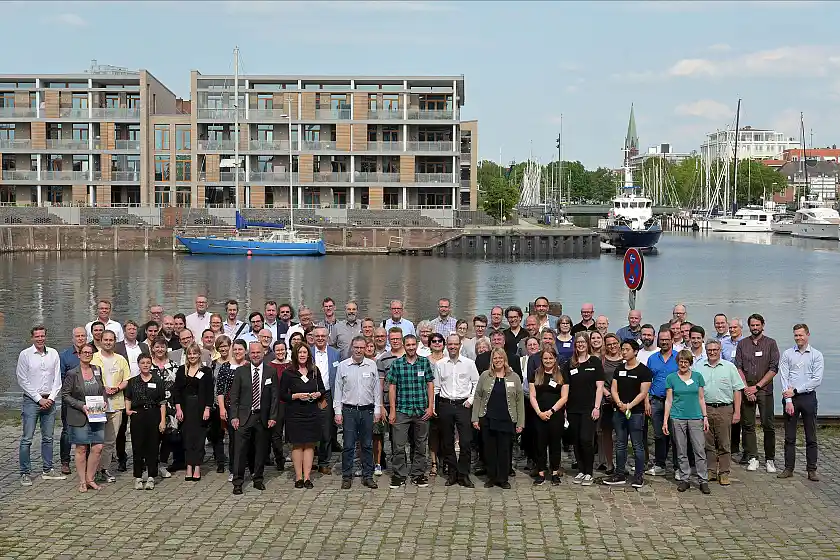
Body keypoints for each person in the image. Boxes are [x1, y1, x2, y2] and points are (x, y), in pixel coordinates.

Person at [229, 342, 279, 494]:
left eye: (258, 352)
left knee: (260, 450)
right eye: (253, 353)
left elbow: (275, 396)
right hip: (244, 417)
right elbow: (234, 396)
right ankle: (238, 482)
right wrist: (234, 416)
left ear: (263, 353)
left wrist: (273, 416)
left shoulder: (271, 371)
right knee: (240, 450)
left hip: (262, 417)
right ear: (248, 354)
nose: (255, 355)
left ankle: (258, 478)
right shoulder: (241, 371)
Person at [472, 348, 525, 489]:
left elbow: (520, 401)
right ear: (492, 360)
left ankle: (503, 478)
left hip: (507, 419)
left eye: (500, 358)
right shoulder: (485, 375)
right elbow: (478, 396)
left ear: (505, 359)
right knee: (489, 450)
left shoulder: (514, 377)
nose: (498, 360)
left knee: (504, 450)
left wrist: (520, 422)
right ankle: (491, 477)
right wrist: (475, 418)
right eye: (495, 358)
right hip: (488, 418)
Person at [387, 334, 435, 489]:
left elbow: (430, 384)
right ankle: (399, 474)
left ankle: (418, 474)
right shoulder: (397, 364)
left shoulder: (424, 362)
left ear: (417, 345)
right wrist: (392, 411)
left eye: (413, 344)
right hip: (402, 410)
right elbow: (392, 387)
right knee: (399, 445)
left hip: (421, 410)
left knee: (421, 445)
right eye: (408, 345)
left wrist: (430, 406)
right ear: (403, 345)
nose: (411, 347)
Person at [334, 335, 382, 489]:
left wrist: (377, 409)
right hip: (349, 410)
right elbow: (338, 390)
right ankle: (346, 476)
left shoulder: (371, 365)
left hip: (367, 410)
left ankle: (368, 475)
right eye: (356, 347)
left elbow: (376, 390)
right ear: (352, 348)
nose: (359, 350)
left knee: (367, 445)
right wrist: (337, 412)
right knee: (348, 445)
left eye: (362, 347)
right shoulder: (343, 366)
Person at [694, 338, 743, 487]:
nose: (712, 352)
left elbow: (737, 390)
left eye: (715, 350)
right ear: (706, 351)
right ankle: (710, 471)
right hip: (706, 408)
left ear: (720, 350)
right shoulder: (698, 366)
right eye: (709, 350)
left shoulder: (729, 367)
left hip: (724, 408)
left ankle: (724, 472)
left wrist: (737, 412)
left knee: (724, 442)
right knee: (707, 442)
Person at [734, 313, 780, 473]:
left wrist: (757, 387)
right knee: (748, 425)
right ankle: (752, 457)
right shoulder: (742, 344)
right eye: (752, 325)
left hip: (764, 390)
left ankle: (770, 459)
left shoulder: (771, 343)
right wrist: (746, 388)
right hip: (747, 390)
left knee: (768, 425)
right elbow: (738, 367)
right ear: (749, 327)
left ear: (762, 325)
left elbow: (774, 368)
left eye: (757, 325)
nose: (755, 328)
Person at [777, 323, 822, 481]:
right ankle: (789, 468)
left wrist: (796, 390)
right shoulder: (788, 354)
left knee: (811, 435)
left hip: (808, 397)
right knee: (789, 436)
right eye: (796, 335)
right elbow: (784, 377)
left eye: (801, 335)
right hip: (791, 399)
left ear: (808, 335)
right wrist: (788, 399)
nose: (798, 338)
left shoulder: (816, 355)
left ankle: (812, 469)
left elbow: (816, 380)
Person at [605, 340, 652, 488]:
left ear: (635, 351)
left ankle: (638, 476)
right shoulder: (619, 369)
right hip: (619, 411)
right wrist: (619, 404)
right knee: (620, 443)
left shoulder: (644, 371)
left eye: (627, 349)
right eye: (622, 349)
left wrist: (629, 406)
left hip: (636, 412)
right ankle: (619, 473)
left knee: (637, 444)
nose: (623, 352)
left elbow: (643, 392)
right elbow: (614, 388)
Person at [434, 334, 479, 488]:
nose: (452, 347)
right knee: (447, 441)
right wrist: (435, 407)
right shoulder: (440, 364)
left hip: (463, 405)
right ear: (446, 345)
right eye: (450, 344)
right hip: (446, 404)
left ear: (460, 345)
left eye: (455, 344)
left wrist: (470, 400)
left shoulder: (469, 363)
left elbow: (476, 383)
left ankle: (464, 473)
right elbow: (436, 387)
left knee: (466, 441)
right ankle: (452, 473)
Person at [663, 349, 710, 494]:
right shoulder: (671, 378)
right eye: (681, 361)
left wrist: (705, 416)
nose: (683, 364)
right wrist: (665, 420)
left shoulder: (697, 377)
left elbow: (701, 398)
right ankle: (684, 478)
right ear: (677, 362)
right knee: (681, 450)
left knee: (699, 449)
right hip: (677, 417)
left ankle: (703, 480)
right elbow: (669, 400)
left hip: (695, 417)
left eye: (686, 361)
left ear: (690, 363)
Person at [61, 342, 105, 492]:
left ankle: (90, 478)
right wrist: (81, 406)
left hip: (96, 414)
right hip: (79, 415)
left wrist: (104, 401)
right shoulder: (72, 373)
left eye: (90, 352)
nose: (87, 354)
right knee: (81, 448)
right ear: (79, 355)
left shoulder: (97, 369)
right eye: (84, 352)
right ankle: (81, 481)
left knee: (98, 447)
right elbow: (65, 395)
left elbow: (102, 389)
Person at [279, 343, 323, 490]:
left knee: (310, 444)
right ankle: (298, 477)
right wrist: (295, 396)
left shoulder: (314, 371)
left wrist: (318, 394)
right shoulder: (288, 373)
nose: (303, 355)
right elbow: (282, 394)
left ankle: (308, 477)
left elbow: (322, 389)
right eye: (300, 353)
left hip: (311, 412)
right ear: (295, 355)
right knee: (297, 445)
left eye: (305, 352)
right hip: (295, 414)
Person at [563, 332, 604, 485]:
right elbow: (566, 387)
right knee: (576, 441)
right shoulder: (570, 363)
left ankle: (589, 471)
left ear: (587, 344)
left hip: (589, 408)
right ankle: (580, 470)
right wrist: (565, 408)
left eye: (583, 342)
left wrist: (597, 407)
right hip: (573, 408)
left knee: (586, 439)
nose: (580, 345)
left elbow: (599, 387)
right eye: (578, 342)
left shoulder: (594, 362)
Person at [90, 330, 130, 483]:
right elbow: (89, 378)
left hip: (117, 403)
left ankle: (104, 469)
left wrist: (118, 388)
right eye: (105, 339)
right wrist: (103, 388)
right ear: (101, 341)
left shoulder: (120, 359)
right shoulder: (93, 358)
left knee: (110, 440)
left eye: (111, 340)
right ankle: (92, 469)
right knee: (96, 439)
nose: (108, 342)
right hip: (97, 403)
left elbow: (126, 379)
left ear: (115, 341)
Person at [172, 343, 214, 481]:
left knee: (199, 438)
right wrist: (178, 408)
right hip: (185, 408)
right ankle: (189, 466)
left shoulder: (206, 371)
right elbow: (176, 391)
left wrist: (207, 408)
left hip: (200, 408)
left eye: (195, 353)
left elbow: (209, 392)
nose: (192, 356)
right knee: (187, 438)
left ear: (199, 355)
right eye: (190, 354)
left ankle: (197, 467)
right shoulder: (181, 370)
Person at [125, 354, 166, 490]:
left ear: (151, 364)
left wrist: (162, 421)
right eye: (143, 363)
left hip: (153, 414)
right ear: (138, 364)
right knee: (137, 446)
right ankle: (138, 476)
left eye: (148, 362)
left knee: (153, 446)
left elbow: (162, 402)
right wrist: (128, 410)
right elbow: (128, 397)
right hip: (138, 415)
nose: (146, 365)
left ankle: (151, 476)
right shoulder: (133, 381)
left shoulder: (158, 380)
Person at [529, 346, 568, 486]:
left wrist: (551, 411)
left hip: (555, 415)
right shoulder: (536, 374)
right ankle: (540, 472)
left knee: (555, 445)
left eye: (551, 358)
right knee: (539, 445)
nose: (548, 360)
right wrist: (539, 412)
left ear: (555, 359)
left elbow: (564, 397)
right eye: (545, 358)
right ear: (541, 359)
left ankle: (555, 472)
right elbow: (532, 395)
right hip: (539, 414)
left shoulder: (561, 374)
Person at [646, 328, 678, 477]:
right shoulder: (652, 358)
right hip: (656, 400)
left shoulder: (679, 357)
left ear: (672, 339)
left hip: (675, 402)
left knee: (676, 434)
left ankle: (678, 467)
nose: (664, 342)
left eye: (667, 339)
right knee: (659, 434)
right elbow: (647, 381)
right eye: (662, 339)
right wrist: (646, 400)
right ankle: (660, 464)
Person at [216, 338, 249, 482]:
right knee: (234, 440)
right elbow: (220, 390)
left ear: (245, 351)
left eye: (240, 349)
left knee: (248, 439)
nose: (237, 352)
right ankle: (234, 469)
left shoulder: (250, 366)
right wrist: (222, 408)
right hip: (231, 408)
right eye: (235, 349)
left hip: (248, 408)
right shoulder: (225, 367)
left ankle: (249, 467)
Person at [149, 337, 180, 478]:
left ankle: (162, 463)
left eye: (162, 347)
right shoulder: (148, 366)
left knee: (168, 436)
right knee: (154, 437)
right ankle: (151, 464)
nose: (160, 349)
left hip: (170, 405)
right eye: (157, 347)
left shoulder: (174, 365)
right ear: (152, 348)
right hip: (153, 406)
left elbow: (178, 387)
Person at [59, 326, 88, 475]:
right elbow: (62, 378)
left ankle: (86, 460)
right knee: (67, 430)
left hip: (88, 399)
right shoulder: (65, 356)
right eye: (78, 336)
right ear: (73, 338)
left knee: (88, 429)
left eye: (83, 335)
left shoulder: (92, 353)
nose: (80, 338)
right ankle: (65, 462)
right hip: (70, 399)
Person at [312, 325, 341, 472]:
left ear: (328, 337)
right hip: (309, 395)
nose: (320, 338)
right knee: (309, 428)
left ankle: (324, 462)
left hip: (328, 395)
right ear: (313, 337)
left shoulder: (335, 353)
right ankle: (309, 461)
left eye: (323, 336)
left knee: (326, 429)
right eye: (317, 336)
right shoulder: (307, 352)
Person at [597, 333, 623, 474]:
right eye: (609, 344)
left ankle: (621, 463)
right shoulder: (602, 361)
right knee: (606, 433)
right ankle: (609, 463)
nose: (612, 346)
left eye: (614, 343)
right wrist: (608, 394)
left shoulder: (625, 359)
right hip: (607, 401)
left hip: (623, 401)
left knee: (622, 434)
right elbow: (598, 380)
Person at [208, 336, 233, 474]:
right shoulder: (213, 364)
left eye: (225, 346)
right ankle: (220, 461)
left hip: (231, 402)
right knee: (217, 434)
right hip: (216, 403)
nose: (223, 349)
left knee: (232, 433)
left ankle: (234, 459)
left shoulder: (234, 363)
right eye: (220, 346)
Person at [267, 339, 289, 471]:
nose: (280, 352)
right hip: (277, 404)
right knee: (276, 434)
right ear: (274, 352)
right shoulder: (270, 366)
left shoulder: (292, 365)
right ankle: (279, 458)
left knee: (292, 432)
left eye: (282, 349)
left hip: (291, 403)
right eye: (278, 350)